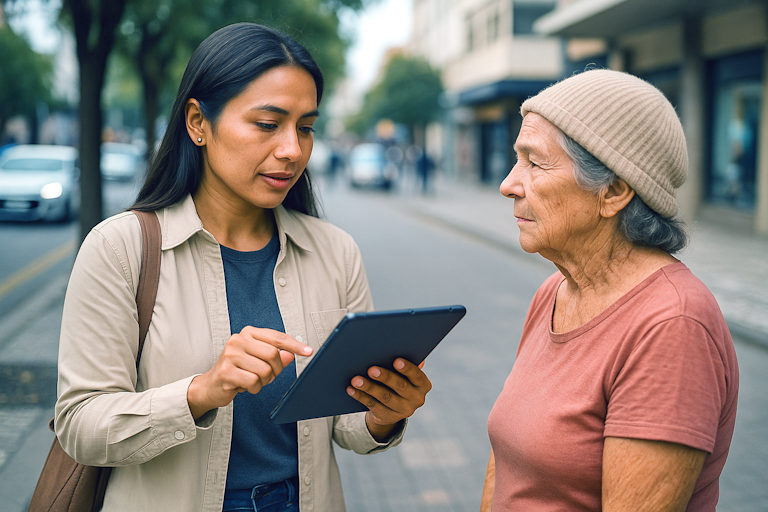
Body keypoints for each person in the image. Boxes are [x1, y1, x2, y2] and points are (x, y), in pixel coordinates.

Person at [55, 23, 432, 512]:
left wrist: (385, 414)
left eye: (305, 126)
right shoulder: (120, 249)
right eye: (267, 123)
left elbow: (345, 427)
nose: (293, 149)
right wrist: (201, 392)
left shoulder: (334, 251)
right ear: (198, 123)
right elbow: (80, 426)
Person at [481, 69, 739, 512]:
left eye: (534, 162)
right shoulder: (555, 292)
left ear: (614, 191)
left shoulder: (672, 327)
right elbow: (506, 468)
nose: (508, 184)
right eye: (515, 159)